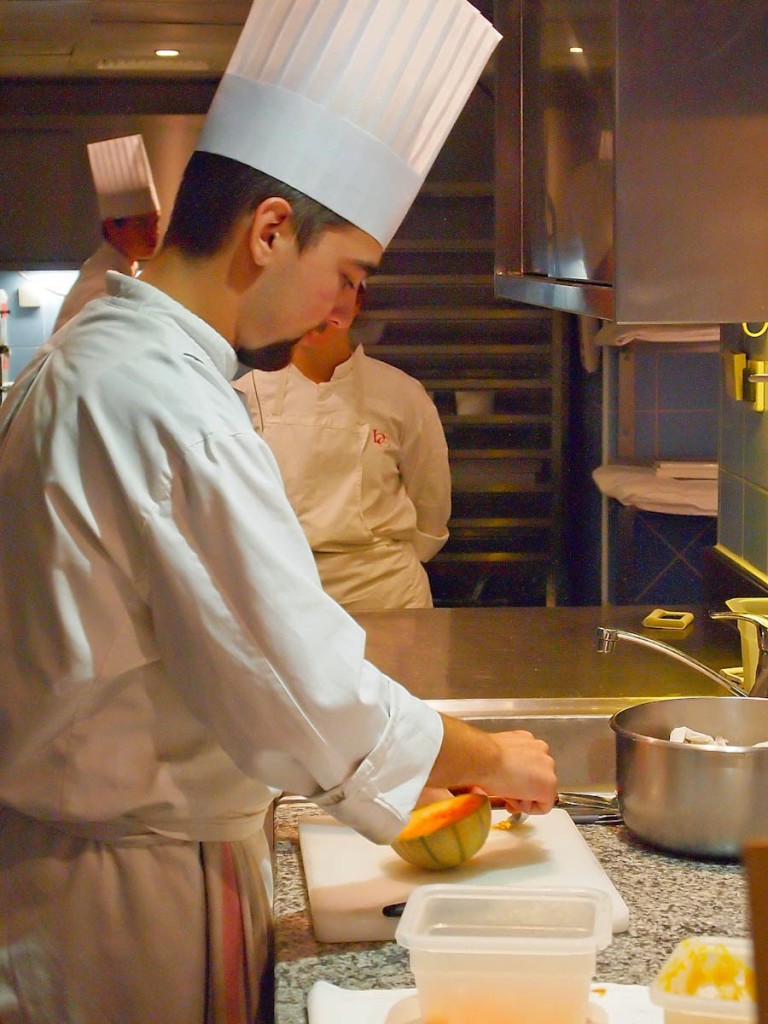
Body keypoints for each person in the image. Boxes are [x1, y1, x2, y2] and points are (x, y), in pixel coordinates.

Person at [0, 3, 556, 1023]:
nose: (337, 307)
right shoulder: (170, 404)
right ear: (268, 232)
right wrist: (489, 756)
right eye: (344, 274)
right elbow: (299, 692)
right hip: (138, 897)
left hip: (69, 873)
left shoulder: (86, 360)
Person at [234, 284, 451, 612]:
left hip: (386, 597)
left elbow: (431, 506)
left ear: (357, 302)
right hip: (283, 597)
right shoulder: (245, 394)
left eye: (336, 290)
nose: (316, 309)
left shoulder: (402, 395)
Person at [52, 134, 160, 332]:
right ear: (112, 226)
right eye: (141, 224)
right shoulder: (102, 288)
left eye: (156, 222)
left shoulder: (118, 271)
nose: (153, 233)